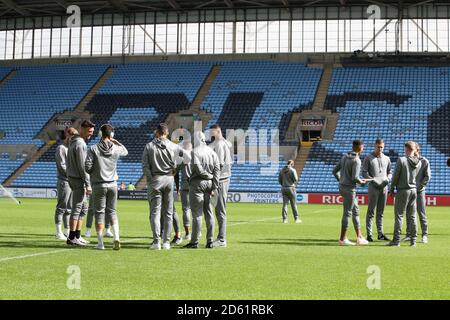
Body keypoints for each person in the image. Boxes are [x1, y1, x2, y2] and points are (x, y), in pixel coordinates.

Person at [142, 123, 191, 250]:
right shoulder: (173, 145)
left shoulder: (149, 146)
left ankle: (156, 241)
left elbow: (145, 166)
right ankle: (166, 242)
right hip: (169, 179)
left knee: (155, 212)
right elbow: (188, 157)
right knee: (169, 212)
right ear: (167, 133)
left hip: (155, 179)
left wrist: (150, 179)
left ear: (157, 132)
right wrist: (177, 169)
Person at [85, 124, 128, 250]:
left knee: (99, 213)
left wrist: (95, 172)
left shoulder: (93, 148)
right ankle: (116, 238)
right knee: (112, 212)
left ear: (100, 134)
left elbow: (87, 166)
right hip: (113, 184)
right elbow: (125, 151)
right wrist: (116, 141)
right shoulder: (115, 148)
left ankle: (100, 243)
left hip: (99, 185)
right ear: (111, 135)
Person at [183, 131, 220, 249]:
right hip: (210, 185)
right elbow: (217, 170)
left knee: (197, 214)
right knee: (209, 213)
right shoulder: (212, 152)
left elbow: (198, 169)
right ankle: (210, 241)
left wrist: (208, 176)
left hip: (197, 184)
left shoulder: (195, 152)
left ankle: (194, 242)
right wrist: (214, 185)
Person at [332, 140, 369, 246]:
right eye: (363, 146)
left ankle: (360, 237)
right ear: (359, 147)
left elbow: (334, 171)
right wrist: (362, 182)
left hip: (342, 187)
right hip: (349, 189)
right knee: (347, 213)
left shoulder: (344, 156)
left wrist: (341, 180)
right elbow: (355, 177)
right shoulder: (357, 160)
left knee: (355, 211)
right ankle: (342, 239)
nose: (363, 148)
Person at [66, 120, 95, 246]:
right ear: (82, 129)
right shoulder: (80, 144)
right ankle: (72, 237)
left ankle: (77, 235)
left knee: (83, 208)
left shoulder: (74, 142)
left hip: (74, 178)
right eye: (89, 131)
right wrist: (88, 183)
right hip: (79, 180)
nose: (91, 134)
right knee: (77, 208)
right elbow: (82, 166)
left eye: (92, 132)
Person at [388, 141, 421, 247]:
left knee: (399, 215)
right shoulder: (418, 161)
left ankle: (396, 240)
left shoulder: (401, 160)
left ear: (406, 149)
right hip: (413, 190)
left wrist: (391, 188)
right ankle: (413, 241)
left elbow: (396, 176)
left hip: (403, 190)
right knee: (412, 216)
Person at [362, 138, 392, 242]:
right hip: (373, 187)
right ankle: (369, 234)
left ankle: (380, 234)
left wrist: (388, 179)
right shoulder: (368, 158)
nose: (380, 149)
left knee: (381, 212)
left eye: (382, 147)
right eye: (378, 147)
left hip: (384, 187)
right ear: (374, 146)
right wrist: (373, 180)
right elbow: (364, 172)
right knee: (371, 211)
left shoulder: (387, 158)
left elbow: (390, 171)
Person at [209, 124, 233, 248]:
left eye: (212, 133)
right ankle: (219, 238)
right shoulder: (223, 142)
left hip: (220, 180)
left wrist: (214, 184)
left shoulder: (219, 144)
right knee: (218, 209)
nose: (210, 135)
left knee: (220, 210)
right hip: (223, 179)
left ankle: (222, 239)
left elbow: (219, 165)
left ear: (217, 132)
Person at [403, 143, 431, 244]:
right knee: (408, 213)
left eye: (412, 150)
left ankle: (424, 235)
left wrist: (419, 188)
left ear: (416, 150)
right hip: (409, 191)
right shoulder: (407, 161)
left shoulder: (424, 161)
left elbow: (427, 177)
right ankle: (409, 234)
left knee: (421, 213)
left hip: (419, 191)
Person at [54, 127, 77, 240]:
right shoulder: (61, 148)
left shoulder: (71, 149)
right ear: (67, 136)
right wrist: (72, 174)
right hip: (64, 181)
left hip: (72, 181)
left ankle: (67, 231)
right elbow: (62, 166)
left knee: (69, 208)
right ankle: (58, 232)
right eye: (72, 137)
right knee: (61, 207)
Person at [278, 160, 301, 224]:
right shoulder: (292, 170)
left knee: (285, 204)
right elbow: (296, 179)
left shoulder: (281, 170)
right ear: (292, 164)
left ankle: (284, 219)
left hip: (283, 188)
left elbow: (279, 180)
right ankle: (296, 218)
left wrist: (283, 184)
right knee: (293, 204)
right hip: (291, 188)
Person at [179, 140, 192, 240]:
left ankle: (188, 233)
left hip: (184, 185)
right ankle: (197, 231)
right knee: (196, 210)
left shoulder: (182, 158)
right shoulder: (197, 156)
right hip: (195, 185)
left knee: (186, 209)